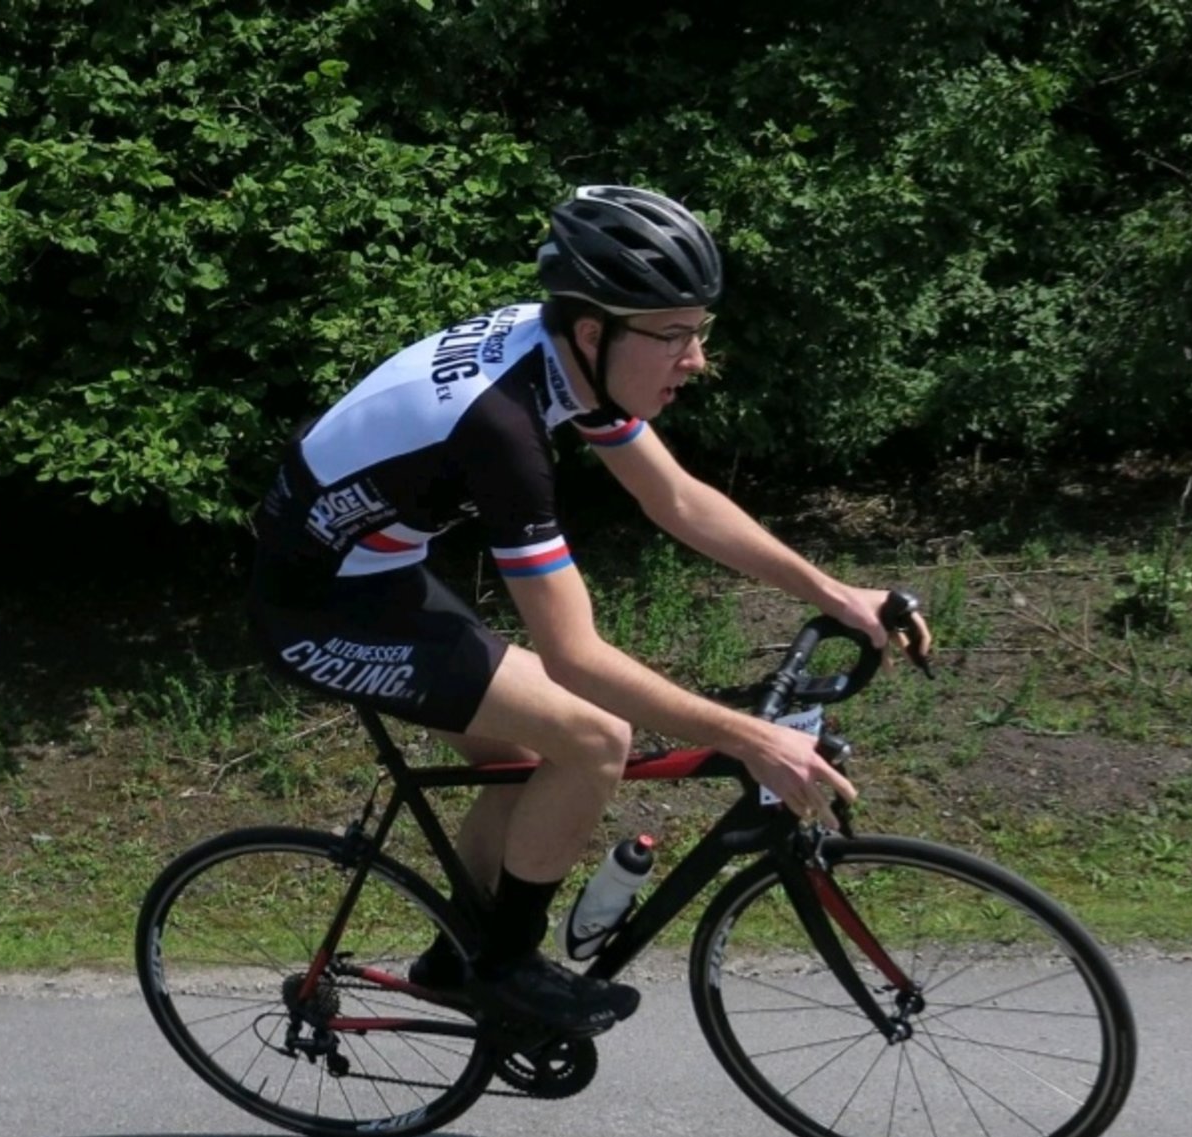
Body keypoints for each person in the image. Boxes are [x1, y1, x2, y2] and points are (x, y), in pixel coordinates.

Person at [248, 185, 933, 1035]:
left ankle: (456, 957)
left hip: (377, 573)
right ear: (593, 330)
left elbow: (676, 498)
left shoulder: (564, 355)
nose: (697, 359)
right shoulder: (500, 427)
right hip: (316, 609)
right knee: (594, 735)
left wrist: (837, 593)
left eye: (700, 330)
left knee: (528, 756)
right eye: (673, 335)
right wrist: (752, 740)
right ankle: (505, 966)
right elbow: (575, 656)